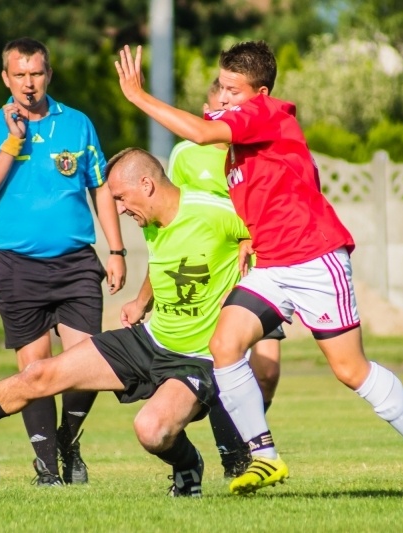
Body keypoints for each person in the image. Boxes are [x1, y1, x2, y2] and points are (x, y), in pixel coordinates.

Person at [114, 41, 403, 496]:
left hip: (315, 259)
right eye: (223, 88)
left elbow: (197, 132)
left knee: (351, 370)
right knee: (225, 343)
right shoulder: (238, 121)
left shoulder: (267, 114)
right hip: (273, 266)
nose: (226, 97)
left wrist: (138, 96)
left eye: (235, 90)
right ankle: (265, 457)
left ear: (262, 91)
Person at [0, 147, 252, 498]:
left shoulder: (215, 211)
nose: (118, 209)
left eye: (120, 198)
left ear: (147, 185)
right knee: (37, 376)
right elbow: (169, 261)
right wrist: (140, 301)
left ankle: (188, 465)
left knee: (151, 431)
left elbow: (282, 232)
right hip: (150, 339)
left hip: (198, 357)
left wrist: (248, 256)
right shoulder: (152, 220)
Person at [0, 37, 127, 486]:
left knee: (87, 364)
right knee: (35, 371)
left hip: (76, 264)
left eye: (36, 73)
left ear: (48, 74)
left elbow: (101, 188)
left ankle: (68, 442)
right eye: (20, 74)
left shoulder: (77, 124)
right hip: (18, 266)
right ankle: (47, 469)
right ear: (6, 78)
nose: (29, 83)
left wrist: (116, 250)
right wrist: (12, 144)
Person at [167, 78, 284, 477]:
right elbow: (174, 215)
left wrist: (252, 237)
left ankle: (242, 432)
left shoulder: (252, 151)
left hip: (259, 266)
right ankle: (239, 459)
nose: (226, 111)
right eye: (220, 103)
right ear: (206, 109)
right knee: (226, 359)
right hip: (211, 274)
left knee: (267, 373)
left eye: (234, 105)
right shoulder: (184, 155)